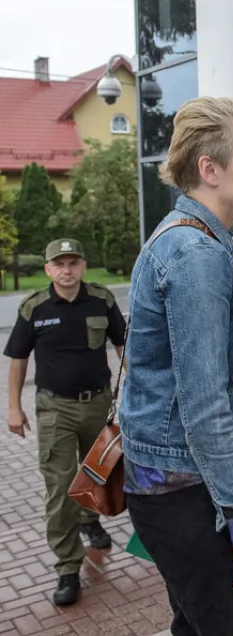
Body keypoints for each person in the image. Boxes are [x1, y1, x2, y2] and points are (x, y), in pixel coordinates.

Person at [119, 96, 233, 635]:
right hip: (192, 498)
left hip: (175, 491)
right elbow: (205, 406)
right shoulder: (197, 256)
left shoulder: (183, 241)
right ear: (209, 170)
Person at [4, 238, 125, 606]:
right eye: (59, 264)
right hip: (55, 408)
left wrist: (136, 389)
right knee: (59, 486)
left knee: (96, 473)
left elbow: (123, 345)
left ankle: (90, 519)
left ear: (83, 266)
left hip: (98, 403)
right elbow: (18, 360)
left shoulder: (102, 300)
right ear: (48, 269)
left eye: (73, 263)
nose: (67, 270)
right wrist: (13, 407)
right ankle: (68, 567)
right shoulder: (34, 308)